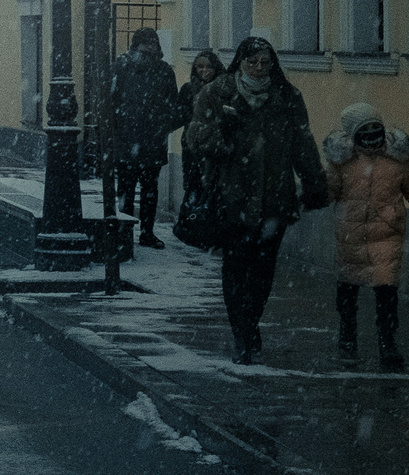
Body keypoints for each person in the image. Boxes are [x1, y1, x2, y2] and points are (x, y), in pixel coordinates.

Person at [182, 36, 329, 364]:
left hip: (275, 198)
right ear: (241, 63)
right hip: (231, 195)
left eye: (266, 63)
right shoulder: (219, 92)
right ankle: (242, 333)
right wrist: (225, 135)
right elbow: (195, 138)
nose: (260, 69)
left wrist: (314, 182)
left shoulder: (287, 96)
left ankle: (250, 323)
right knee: (235, 268)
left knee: (262, 271)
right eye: (253, 62)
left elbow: (303, 142)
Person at [321, 102, 409, 370]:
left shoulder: (398, 162)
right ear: (352, 134)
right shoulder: (342, 163)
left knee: (386, 291)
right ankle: (347, 333)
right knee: (347, 287)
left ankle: (388, 341)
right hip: (351, 236)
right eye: (364, 131)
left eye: (376, 129)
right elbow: (328, 192)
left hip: (387, 236)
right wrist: (309, 196)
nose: (372, 136)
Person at [109, 27, 182, 247]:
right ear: (134, 47)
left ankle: (146, 233)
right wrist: (117, 130)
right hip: (127, 141)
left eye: (152, 47)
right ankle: (125, 233)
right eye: (144, 47)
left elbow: (173, 106)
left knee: (150, 191)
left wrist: (162, 127)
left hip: (151, 142)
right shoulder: (121, 68)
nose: (148, 51)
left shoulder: (164, 71)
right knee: (126, 190)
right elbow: (110, 104)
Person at [177, 49, 224, 216]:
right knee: (193, 187)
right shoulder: (188, 89)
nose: (205, 71)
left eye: (209, 66)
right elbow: (180, 116)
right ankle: (191, 224)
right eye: (200, 67)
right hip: (193, 147)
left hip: (216, 147)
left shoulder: (224, 89)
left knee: (215, 189)